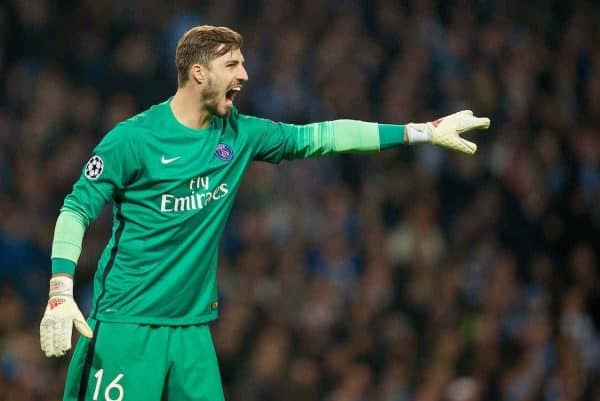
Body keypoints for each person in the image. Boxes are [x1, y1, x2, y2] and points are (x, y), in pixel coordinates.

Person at [39, 25, 490, 401]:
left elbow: (324, 136)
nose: (245, 74)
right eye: (232, 64)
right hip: (126, 326)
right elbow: (76, 209)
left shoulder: (241, 134)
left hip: (192, 332)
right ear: (198, 72)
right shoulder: (132, 140)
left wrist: (421, 132)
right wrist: (61, 290)